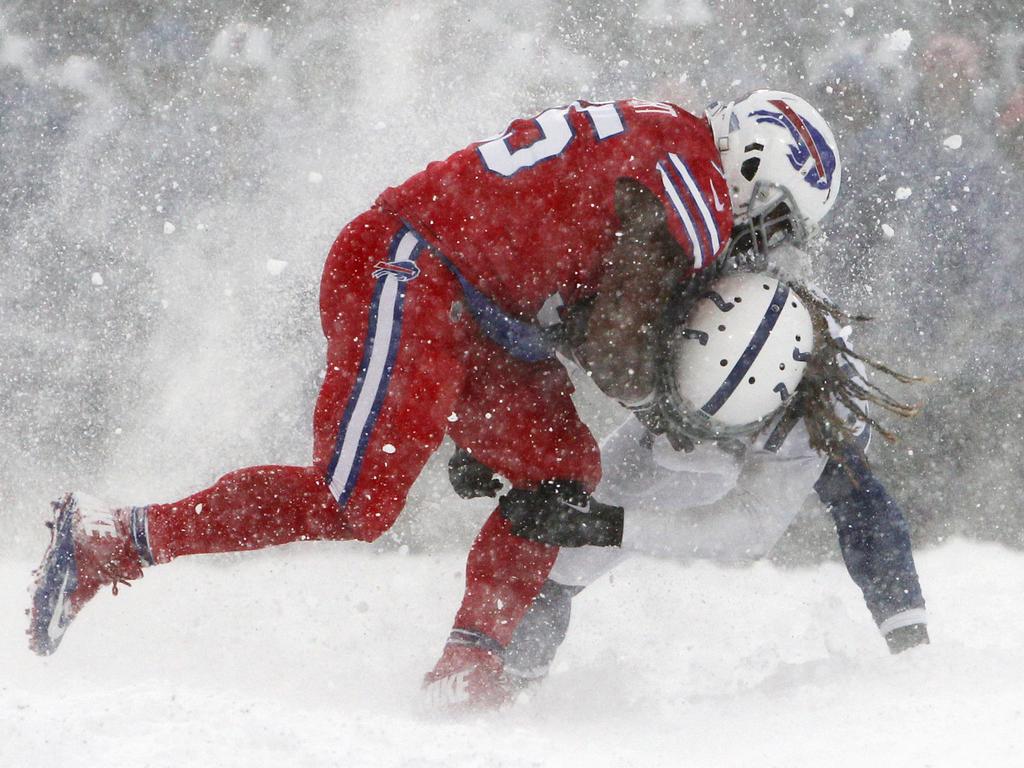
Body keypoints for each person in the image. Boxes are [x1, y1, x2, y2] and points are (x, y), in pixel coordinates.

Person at [27, 93, 841, 703]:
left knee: (562, 467)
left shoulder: (667, 135)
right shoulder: (693, 185)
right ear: (757, 165)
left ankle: (471, 663)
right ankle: (117, 537)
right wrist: (685, 410)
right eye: (773, 220)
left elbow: (558, 252)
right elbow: (618, 339)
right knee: (355, 500)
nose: (757, 244)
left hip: (476, 304)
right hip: (415, 271)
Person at [424, 91, 845, 707]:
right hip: (653, 432)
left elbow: (756, 525)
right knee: (555, 543)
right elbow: (586, 316)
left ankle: (492, 686)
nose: (768, 238)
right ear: (755, 165)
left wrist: (611, 524)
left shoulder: (790, 348)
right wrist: (492, 425)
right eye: (777, 218)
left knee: (563, 545)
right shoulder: (691, 217)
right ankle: (487, 678)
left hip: (710, 464)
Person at [447, 262, 929, 702]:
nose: (685, 439)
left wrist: (611, 525)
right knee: (557, 553)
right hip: (668, 399)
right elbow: (532, 323)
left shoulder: (813, 426)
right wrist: (480, 428)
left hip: (743, 452)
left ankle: (507, 696)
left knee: (573, 540)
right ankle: (502, 691)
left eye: (708, 424)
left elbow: (755, 529)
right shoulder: (667, 283)